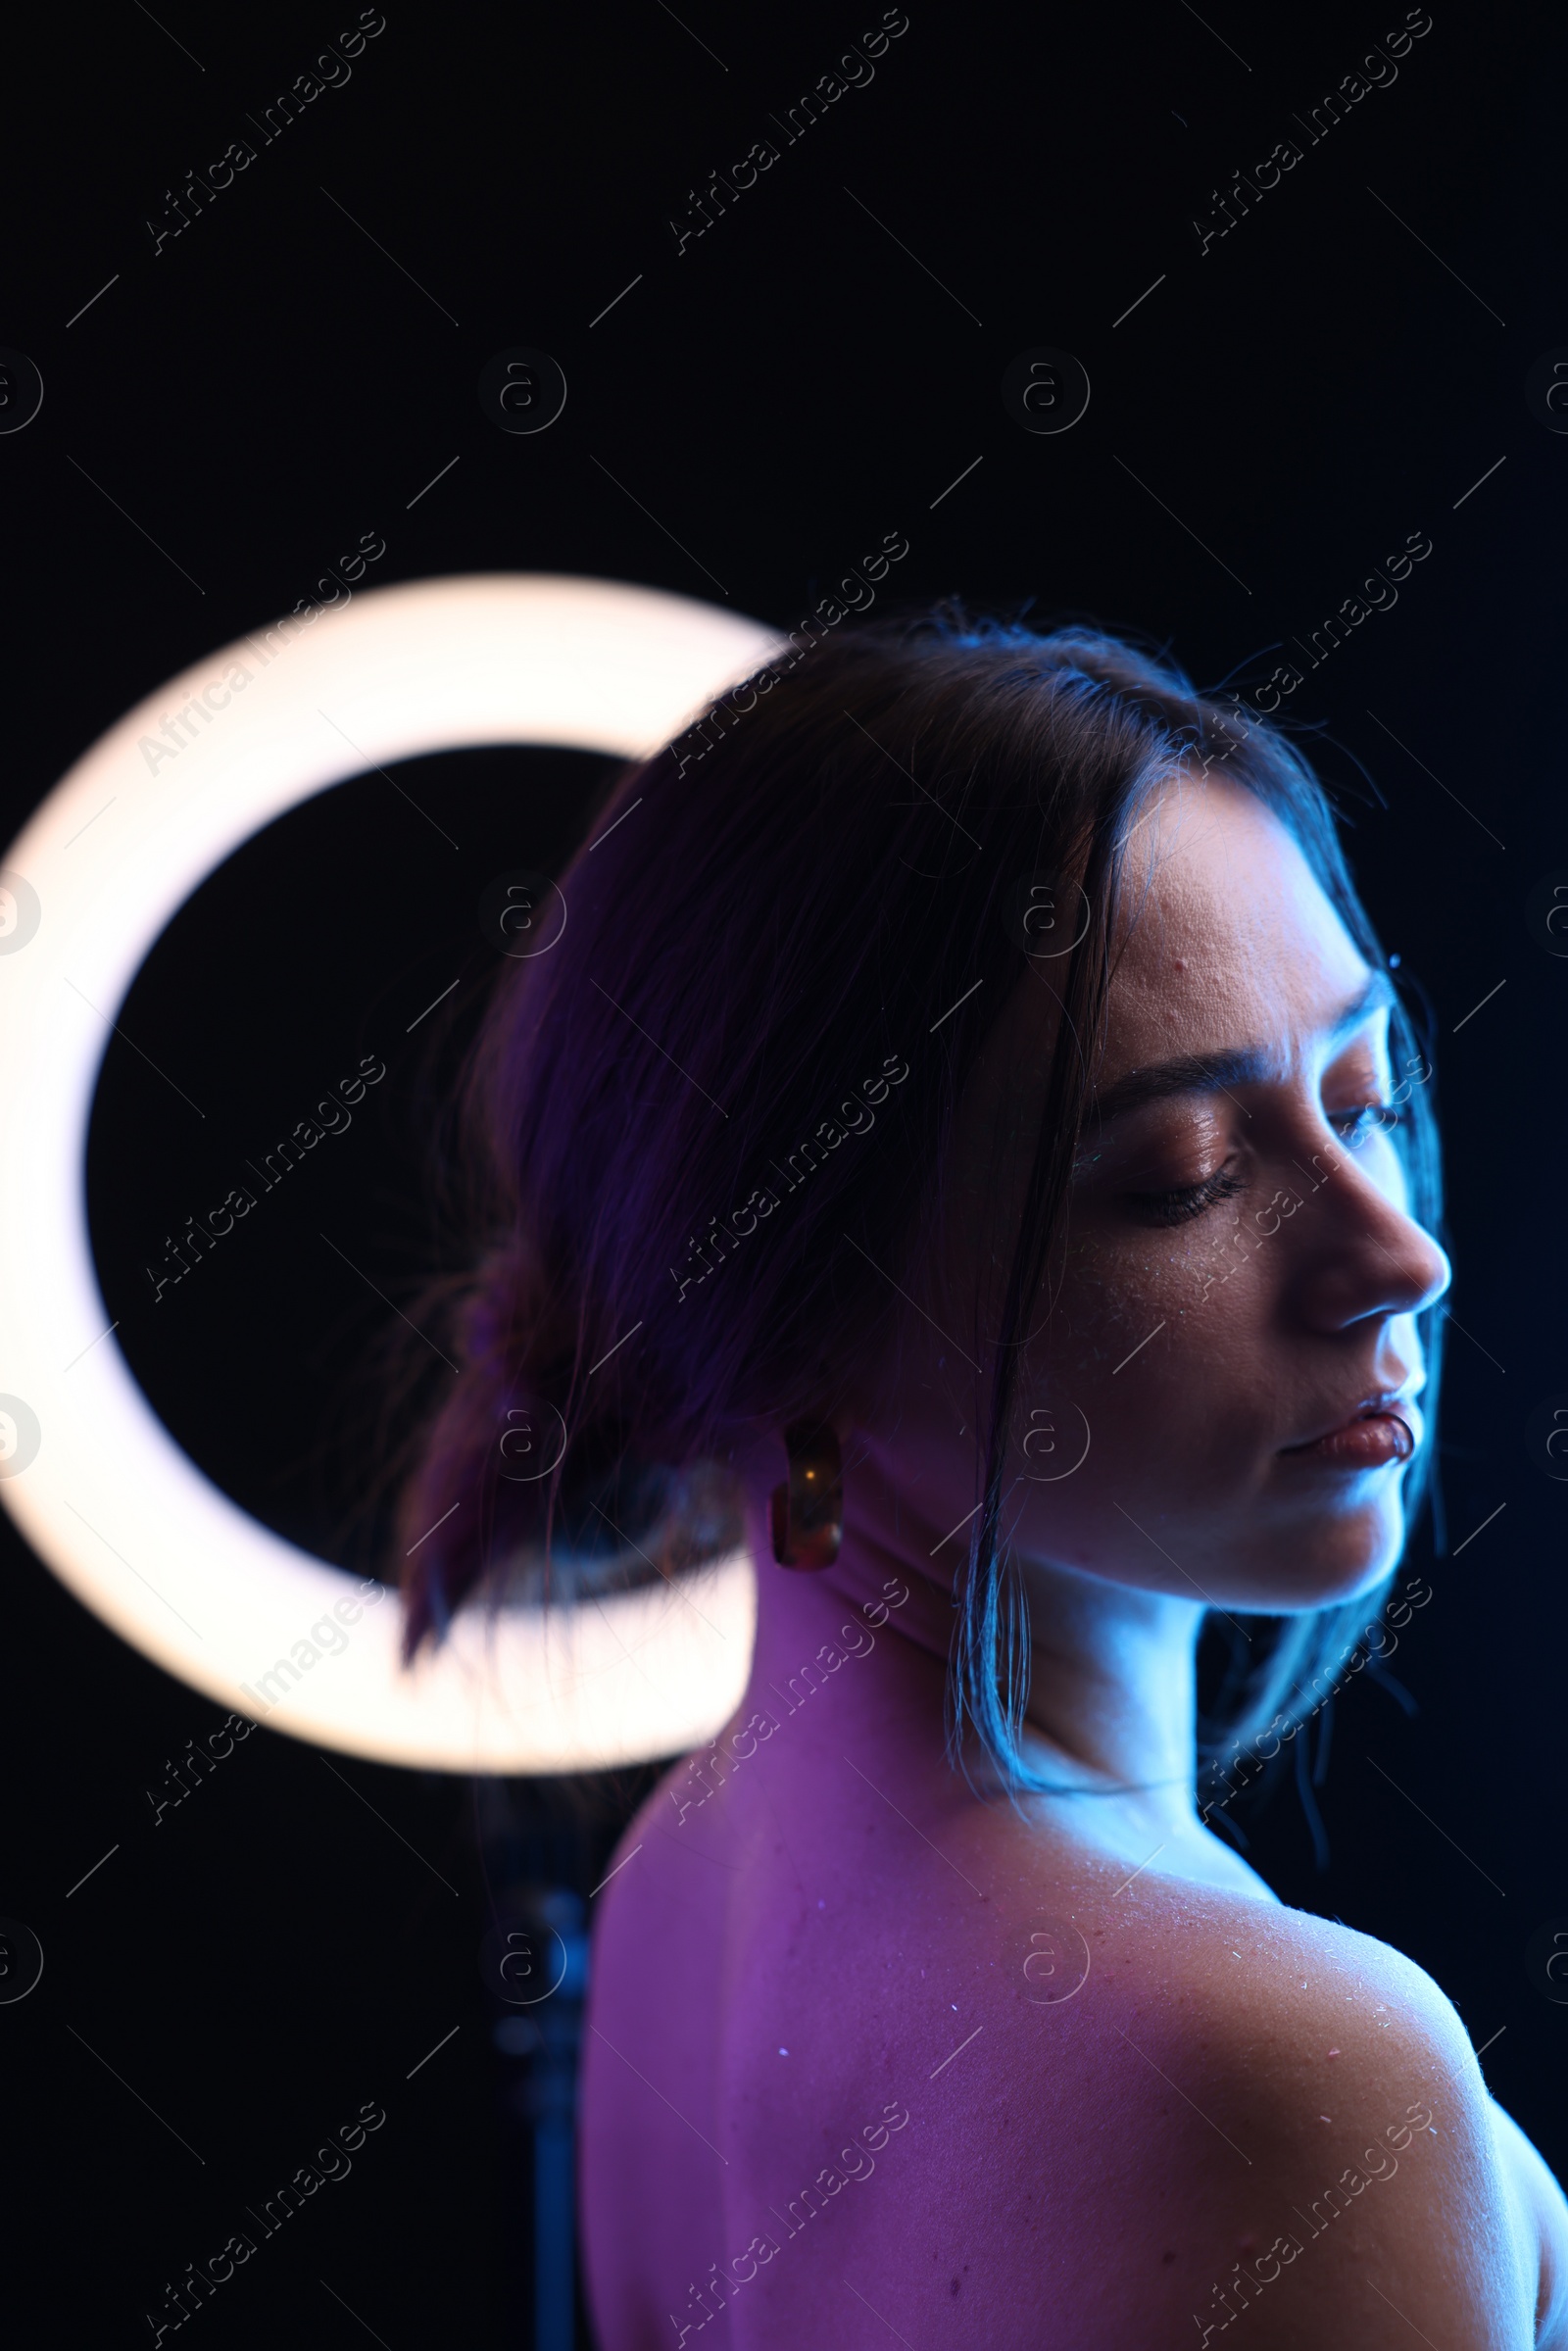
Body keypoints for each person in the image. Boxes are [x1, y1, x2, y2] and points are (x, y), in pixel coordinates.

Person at [396, 609, 1568, 2346]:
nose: (1395, 1251)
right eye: (1178, 1173)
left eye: (1368, 1090)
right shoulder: (1286, 2078)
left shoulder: (673, 1897)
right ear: (798, 1322)